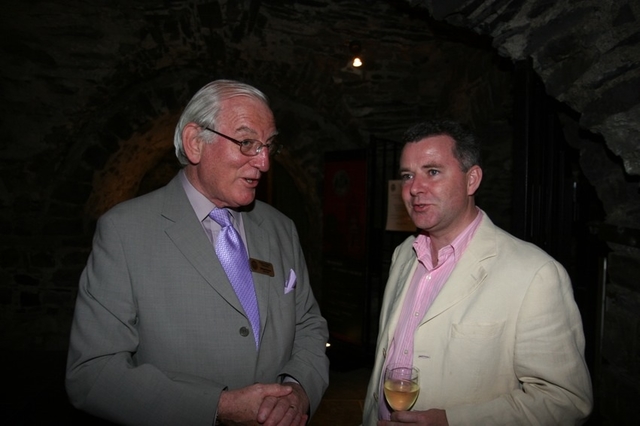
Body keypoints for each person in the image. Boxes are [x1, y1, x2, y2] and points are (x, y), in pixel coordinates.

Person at [66, 79, 330, 426]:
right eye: (247, 142)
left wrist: (298, 390)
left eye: (268, 146)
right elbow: (93, 374)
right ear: (195, 143)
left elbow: (309, 324)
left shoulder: (281, 228)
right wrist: (216, 407)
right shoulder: (125, 232)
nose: (264, 163)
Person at [363, 120, 593, 425]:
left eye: (432, 172)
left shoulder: (535, 274)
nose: (414, 188)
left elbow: (565, 401)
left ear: (472, 180)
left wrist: (452, 421)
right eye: (407, 175)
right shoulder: (404, 254)